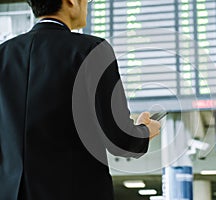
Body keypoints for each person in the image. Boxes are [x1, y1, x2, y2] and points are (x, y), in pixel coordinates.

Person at [0, 0, 161, 200]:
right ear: (71, 1)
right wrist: (145, 131)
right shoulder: (92, 49)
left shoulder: (3, 53)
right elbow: (119, 139)